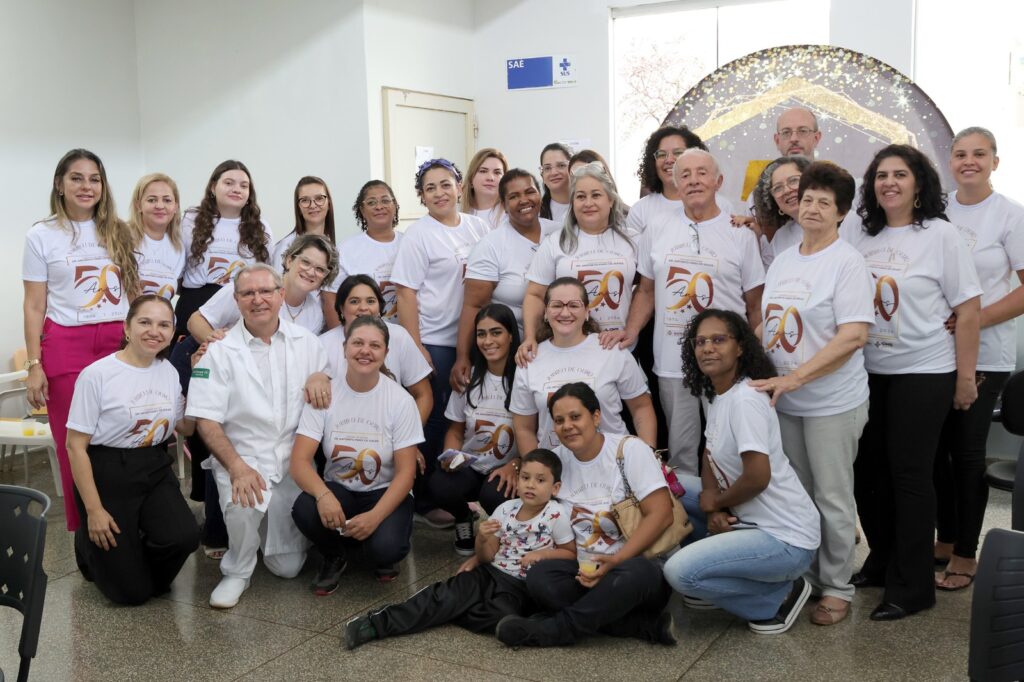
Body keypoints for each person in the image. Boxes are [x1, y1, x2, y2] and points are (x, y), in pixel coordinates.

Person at [844, 144, 982, 621]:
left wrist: (966, 378)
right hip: (866, 373)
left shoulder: (940, 235)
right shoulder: (860, 232)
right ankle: (882, 561)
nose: (889, 183)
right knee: (867, 474)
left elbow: (967, 310)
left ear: (919, 183)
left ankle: (913, 585)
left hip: (923, 371)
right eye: (881, 175)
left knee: (909, 477)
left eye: (900, 174)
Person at [752, 161, 874, 625]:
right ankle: (803, 574)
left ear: (842, 213)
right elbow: (771, 323)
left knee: (833, 497)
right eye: (807, 199)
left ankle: (838, 586)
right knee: (797, 494)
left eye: (825, 202)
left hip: (831, 403)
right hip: (787, 401)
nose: (813, 208)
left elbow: (853, 336)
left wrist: (795, 378)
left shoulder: (847, 263)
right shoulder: (784, 260)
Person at [662, 309, 820, 635]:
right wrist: (716, 504)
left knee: (679, 573)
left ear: (741, 348)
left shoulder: (745, 400)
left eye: (719, 340)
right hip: (748, 518)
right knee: (672, 489)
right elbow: (708, 455)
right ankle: (717, 579)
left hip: (785, 538)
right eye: (700, 341)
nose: (708, 348)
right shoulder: (721, 394)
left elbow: (757, 477)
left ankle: (777, 597)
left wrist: (715, 502)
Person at [186, 263, 329, 609]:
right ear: (236, 300)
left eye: (266, 291)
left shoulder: (309, 344)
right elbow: (205, 419)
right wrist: (236, 467)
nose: (258, 299)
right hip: (243, 456)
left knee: (288, 568)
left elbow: (326, 384)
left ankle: (268, 539)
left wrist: (323, 377)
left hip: (290, 460)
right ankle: (237, 568)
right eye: (248, 293)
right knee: (244, 501)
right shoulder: (217, 351)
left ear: (281, 296)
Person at [615, 148, 764, 477]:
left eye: (702, 173)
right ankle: (690, 522)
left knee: (728, 448)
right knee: (681, 451)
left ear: (718, 181)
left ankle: (729, 518)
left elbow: (755, 304)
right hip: (671, 358)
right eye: (685, 174)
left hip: (727, 361)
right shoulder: (656, 228)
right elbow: (647, 290)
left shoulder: (739, 233)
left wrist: (756, 360)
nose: (694, 181)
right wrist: (632, 330)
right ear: (675, 182)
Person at [495, 382, 675, 647]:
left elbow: (662, 514)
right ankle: (638, 625)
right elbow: (530, 505)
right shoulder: (554, 462)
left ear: (596, 416)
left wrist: (616, 561)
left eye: (575, 416)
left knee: (641, 572)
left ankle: (553, 630)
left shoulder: (629, 450)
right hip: (583, 571)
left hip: (631, 568)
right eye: (559, 420)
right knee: (539, 577)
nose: (567, 425)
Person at [343, 448, 575, 649]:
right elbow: (487, 556)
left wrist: (542, 554)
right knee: (445, 594)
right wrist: (482, 539)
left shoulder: (556, 515)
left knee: (499, 615)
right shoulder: (506, 509)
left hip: (520, 586)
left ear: (555, 488)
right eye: (525, 477)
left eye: (540, 480)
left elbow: (570, 553)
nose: (531, 485)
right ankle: (376, 625)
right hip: (490, 572)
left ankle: (449, 611)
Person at [23, 148, 139, 530]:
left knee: (121, 433)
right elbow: (34, 305)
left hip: (117, 342)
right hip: (66, 345)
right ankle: (87, 529)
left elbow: (133, 292)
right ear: (60, 184)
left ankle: (126, 518)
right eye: (77, 178)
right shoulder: (41, 235)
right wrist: (34, 365)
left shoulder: (119, 230)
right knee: (74, 442)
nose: (86, 186)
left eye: (94, 179)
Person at [933, 127, 1024, 590]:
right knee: (937, 454)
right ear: (950, 161)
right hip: (932, 353)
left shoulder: (1010, 215)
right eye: (961, 154)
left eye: (979, 154)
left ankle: (967, 553)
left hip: (986, 353)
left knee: (968, 455)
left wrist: (974, 319)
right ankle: (945, 538)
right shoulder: (936, 209)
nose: (969, 161)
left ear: (995, 160)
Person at [66, 294, 200, 604]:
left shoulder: (168, 370)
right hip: (107, 469)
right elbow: (75, 447)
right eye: (145, 322)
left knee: (184, 538)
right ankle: (89, 545)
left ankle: (128, 563)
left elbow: (186, 428)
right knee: (130, 596)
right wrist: (94, 511)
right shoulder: (97, 375)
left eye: (164, 324)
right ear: (127, 328)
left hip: (152, 464)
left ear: (172, 331)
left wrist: (199, 376)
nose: (155, 331)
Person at [290, 316, 422, 590]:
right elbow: (300, 462)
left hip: (384, 492)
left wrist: (375, 517)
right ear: (344, 348)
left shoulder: (401, 401)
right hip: (339, 491)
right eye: (358, 343)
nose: (365, 351)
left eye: (375, 345)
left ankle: (373, 544)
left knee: (386, 550)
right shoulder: (326, 395)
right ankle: (335, 553)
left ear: (386, 353)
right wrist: (324, 496)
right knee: (305, 508)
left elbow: (406, 474)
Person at [392, 159, 490, 526]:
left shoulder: (478, 227)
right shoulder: (420, 235)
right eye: (430, 188)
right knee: (434, 420)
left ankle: (460, 487)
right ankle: (423, 500)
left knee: (464, 417)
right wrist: (416, 347)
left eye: (445, 184)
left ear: (459, 186)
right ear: (421, 196)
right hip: (435, 341)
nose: (439, 193)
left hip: (475, 339)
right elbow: (405, 293)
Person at [511, 278, 655, 453]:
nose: (565, 313)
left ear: (587, 311)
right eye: (557, 305)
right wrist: (538, 472)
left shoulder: (612, 350)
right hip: (557, 471)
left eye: (573, 305)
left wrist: (648, 456)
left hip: (614, 465)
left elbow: (642, 408)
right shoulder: (529, 359)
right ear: (546, 313)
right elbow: (524, 428)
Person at [450, 169, 559, 390]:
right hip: (513, 353)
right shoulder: (490, 246)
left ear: (540, 194)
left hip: (561, 345)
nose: (524, 200)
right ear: (503, 203)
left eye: (530, 192)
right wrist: (462, 356)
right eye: (514, 196)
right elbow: (473, 305)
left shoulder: (559, 233)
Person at [431, 304, 523, 555]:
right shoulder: (468, 377)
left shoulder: (526, 378)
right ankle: (463, 517)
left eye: (496, 332)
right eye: (481, 334)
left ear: (511, 335)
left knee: (495, 495)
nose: (488, 340)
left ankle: (505, 532)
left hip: (507, 469)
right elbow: (456, 430)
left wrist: (516, 464)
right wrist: (450, 454)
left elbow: (536, 434)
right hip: (471, 465)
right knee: (440, 485)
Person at [522, 162, 637, 355]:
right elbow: (535, 295)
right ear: (572, 202)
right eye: (581, 196)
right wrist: (530, 337)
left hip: (620, 349)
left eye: (596, 195)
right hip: (569, 349)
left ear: (610, 200)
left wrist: (631, 330)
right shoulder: (555, 243)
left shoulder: (633, 240)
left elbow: (646, 291)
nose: (588, 203)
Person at [174, 160, 271, 342]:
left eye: (244, 186)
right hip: (195, 304)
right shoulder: (191, 219)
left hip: (238, 307)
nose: (236, 189)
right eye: (228, 183)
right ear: (213, 187)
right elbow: (177, 267)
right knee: (189, 366)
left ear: (249, 194)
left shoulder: (261, 227)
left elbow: (265, 272)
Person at [320, 275, 432, 424]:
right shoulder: (322, 344)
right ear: (341, 307)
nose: (363, 307)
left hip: (390, 434)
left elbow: (423, 395)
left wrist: (408, 436)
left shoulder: (399, 336)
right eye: (354, 301)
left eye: (371, 301)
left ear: (380, 307)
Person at [189, 234, 337, 340]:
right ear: (289, 260)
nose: (311, 272)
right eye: (305, 262)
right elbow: (196, 321)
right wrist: (216, 345)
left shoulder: (315, 313)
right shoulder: (251, 286)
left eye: (320, 269)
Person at [327, 180, 402, 329]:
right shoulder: (346, 249)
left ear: (394, 205)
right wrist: (344, 337)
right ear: (362, 210)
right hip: (361, 339)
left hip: (404, 334)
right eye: (371, 202)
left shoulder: (410, 243)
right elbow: (330, 296)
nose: (379, 206)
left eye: (385, 200)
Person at [626, 126, 707, 237]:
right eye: (661, 154)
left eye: (678, 153)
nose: (669, 160)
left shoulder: (717, 205)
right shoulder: (640, 211)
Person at [129, 173, 185, 300]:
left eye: (167, 200)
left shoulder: (178, 248)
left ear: (175, 206)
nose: (160, 206)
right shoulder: (122, 238)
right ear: (138, 206)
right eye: (151, 200)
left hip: (163, 319)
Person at [749, 155, 812, 268]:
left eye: (793, 181)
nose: (787, 190)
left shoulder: (844, 221)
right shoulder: (780, 237)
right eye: (778, 188)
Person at [270, 176, 336, 271]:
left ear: (329, 203)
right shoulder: (285, 248)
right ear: (299, 208)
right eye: (305, 200)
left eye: (319, 198)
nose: (313, 205)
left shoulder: (333, 247)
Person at [461, 148, 508, 227]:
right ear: (471, 178)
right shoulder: (457, 211)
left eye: (497, 172)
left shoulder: (512, 215)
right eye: (483, 171)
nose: (490, 178)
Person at [538, 143, 573, 223]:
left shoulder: (586, 207)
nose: (553, 172)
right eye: (547, 168)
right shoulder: (536, 213)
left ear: (572, 168)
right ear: (542, 174)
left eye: (561, 165)